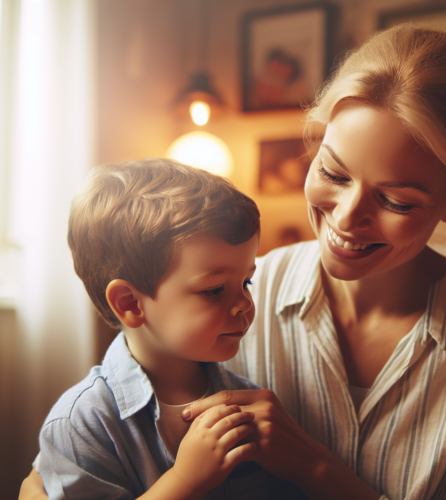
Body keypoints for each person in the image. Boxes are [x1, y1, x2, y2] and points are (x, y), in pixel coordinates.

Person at [21, 25, 446, 499]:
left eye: (396, 201)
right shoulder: (245, 291)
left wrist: (319, 471)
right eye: (335, 173)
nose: (346, 217)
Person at [34, 158, 305, 499]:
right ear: (131, 304)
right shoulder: (84, 423)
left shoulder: (250, 403)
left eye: (247, 281)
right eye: (214, 290)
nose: (245, 304)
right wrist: (184, 481)